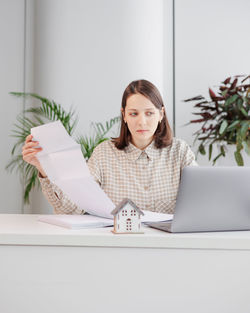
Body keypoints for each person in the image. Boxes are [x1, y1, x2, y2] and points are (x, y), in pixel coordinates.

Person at [22, 79, 197, 215]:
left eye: (149, 113)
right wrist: (43, 168)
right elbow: (72, 208)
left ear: (161, 114)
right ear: (124, 116)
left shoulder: (180, 151)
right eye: (133, 113)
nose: (142, 121)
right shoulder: (104, 153)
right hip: (117, 247)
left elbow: (200, 200)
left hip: (169, 247)